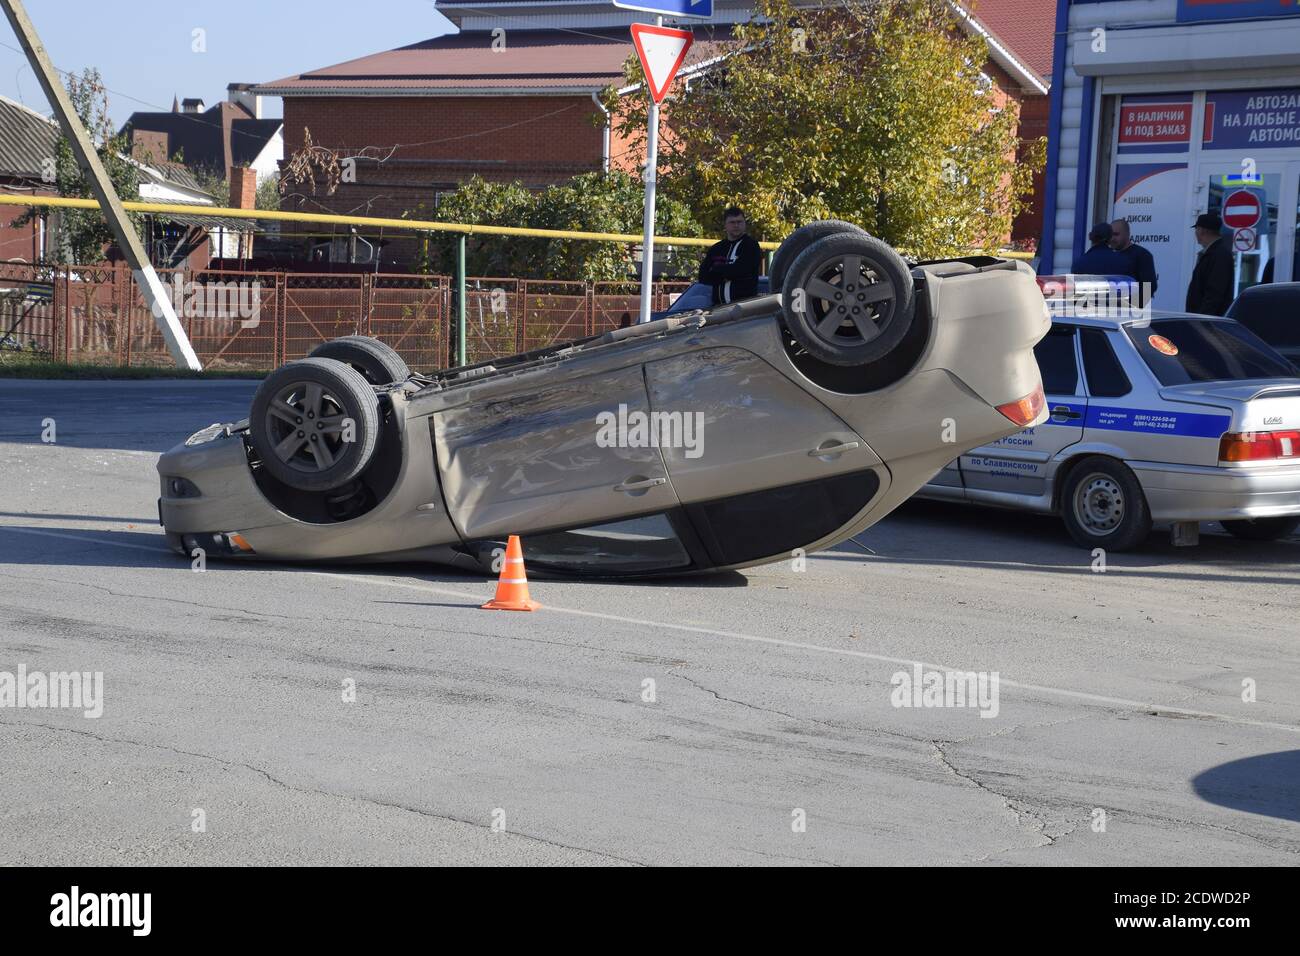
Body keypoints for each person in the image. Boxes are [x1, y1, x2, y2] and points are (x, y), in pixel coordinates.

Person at [698, 206, 761, 305]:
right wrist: (727, 272)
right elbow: (703, 276)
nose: (736, 225)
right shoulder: (716, 249)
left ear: (744, 224)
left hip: (744, 308)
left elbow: (743, 270)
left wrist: (717, 270)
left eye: (739, 222)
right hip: (717, 308)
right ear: (725, 225)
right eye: (732, 222)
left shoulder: (751, 246)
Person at [1185, 212, 1234, 316]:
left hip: (1207, 322)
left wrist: (1202, 319)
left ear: (1202, 230)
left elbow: (1214, 293)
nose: (1196, 233)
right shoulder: (1215, 253)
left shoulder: (1219, 255)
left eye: (1196, 229)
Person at [1110, 218, 1158, 305]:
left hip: (1132, 313)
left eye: (1116, 234)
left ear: (1127, 234)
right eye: (1110, 235)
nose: (1112, 238)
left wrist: (1131, 305)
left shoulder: (1142, 255)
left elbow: (1149, 287)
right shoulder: (1109, 255)